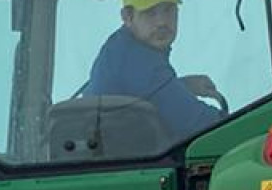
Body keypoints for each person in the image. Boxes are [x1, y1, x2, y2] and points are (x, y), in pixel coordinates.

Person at [84, 0, 225, 141]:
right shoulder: (137, 60)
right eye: (149, 12)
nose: (162, 22)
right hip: (127, 158)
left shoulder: (121, 46)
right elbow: (200, 124)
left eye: (168, 9)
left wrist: (181, 86)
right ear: (128, 16)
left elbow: (147, 94)